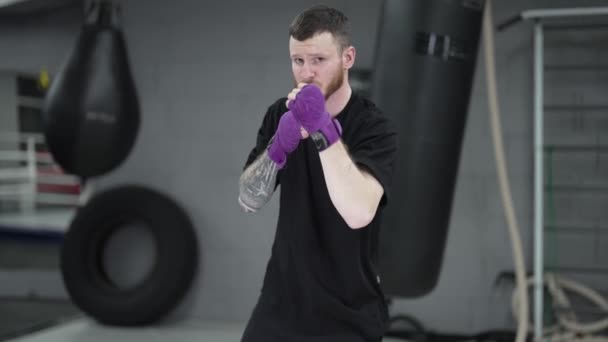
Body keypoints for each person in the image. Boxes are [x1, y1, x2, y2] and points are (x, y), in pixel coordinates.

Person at [238, 5, 397, 342]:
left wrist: (324, 130)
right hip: (279, 306)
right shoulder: (279, 115)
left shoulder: (374, 127)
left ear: (347, 58)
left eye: (319, 60)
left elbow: (358, 213)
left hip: (349, 314)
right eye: (298, 61)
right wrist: (277, 148)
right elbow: (248, 200)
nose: (306, 73)